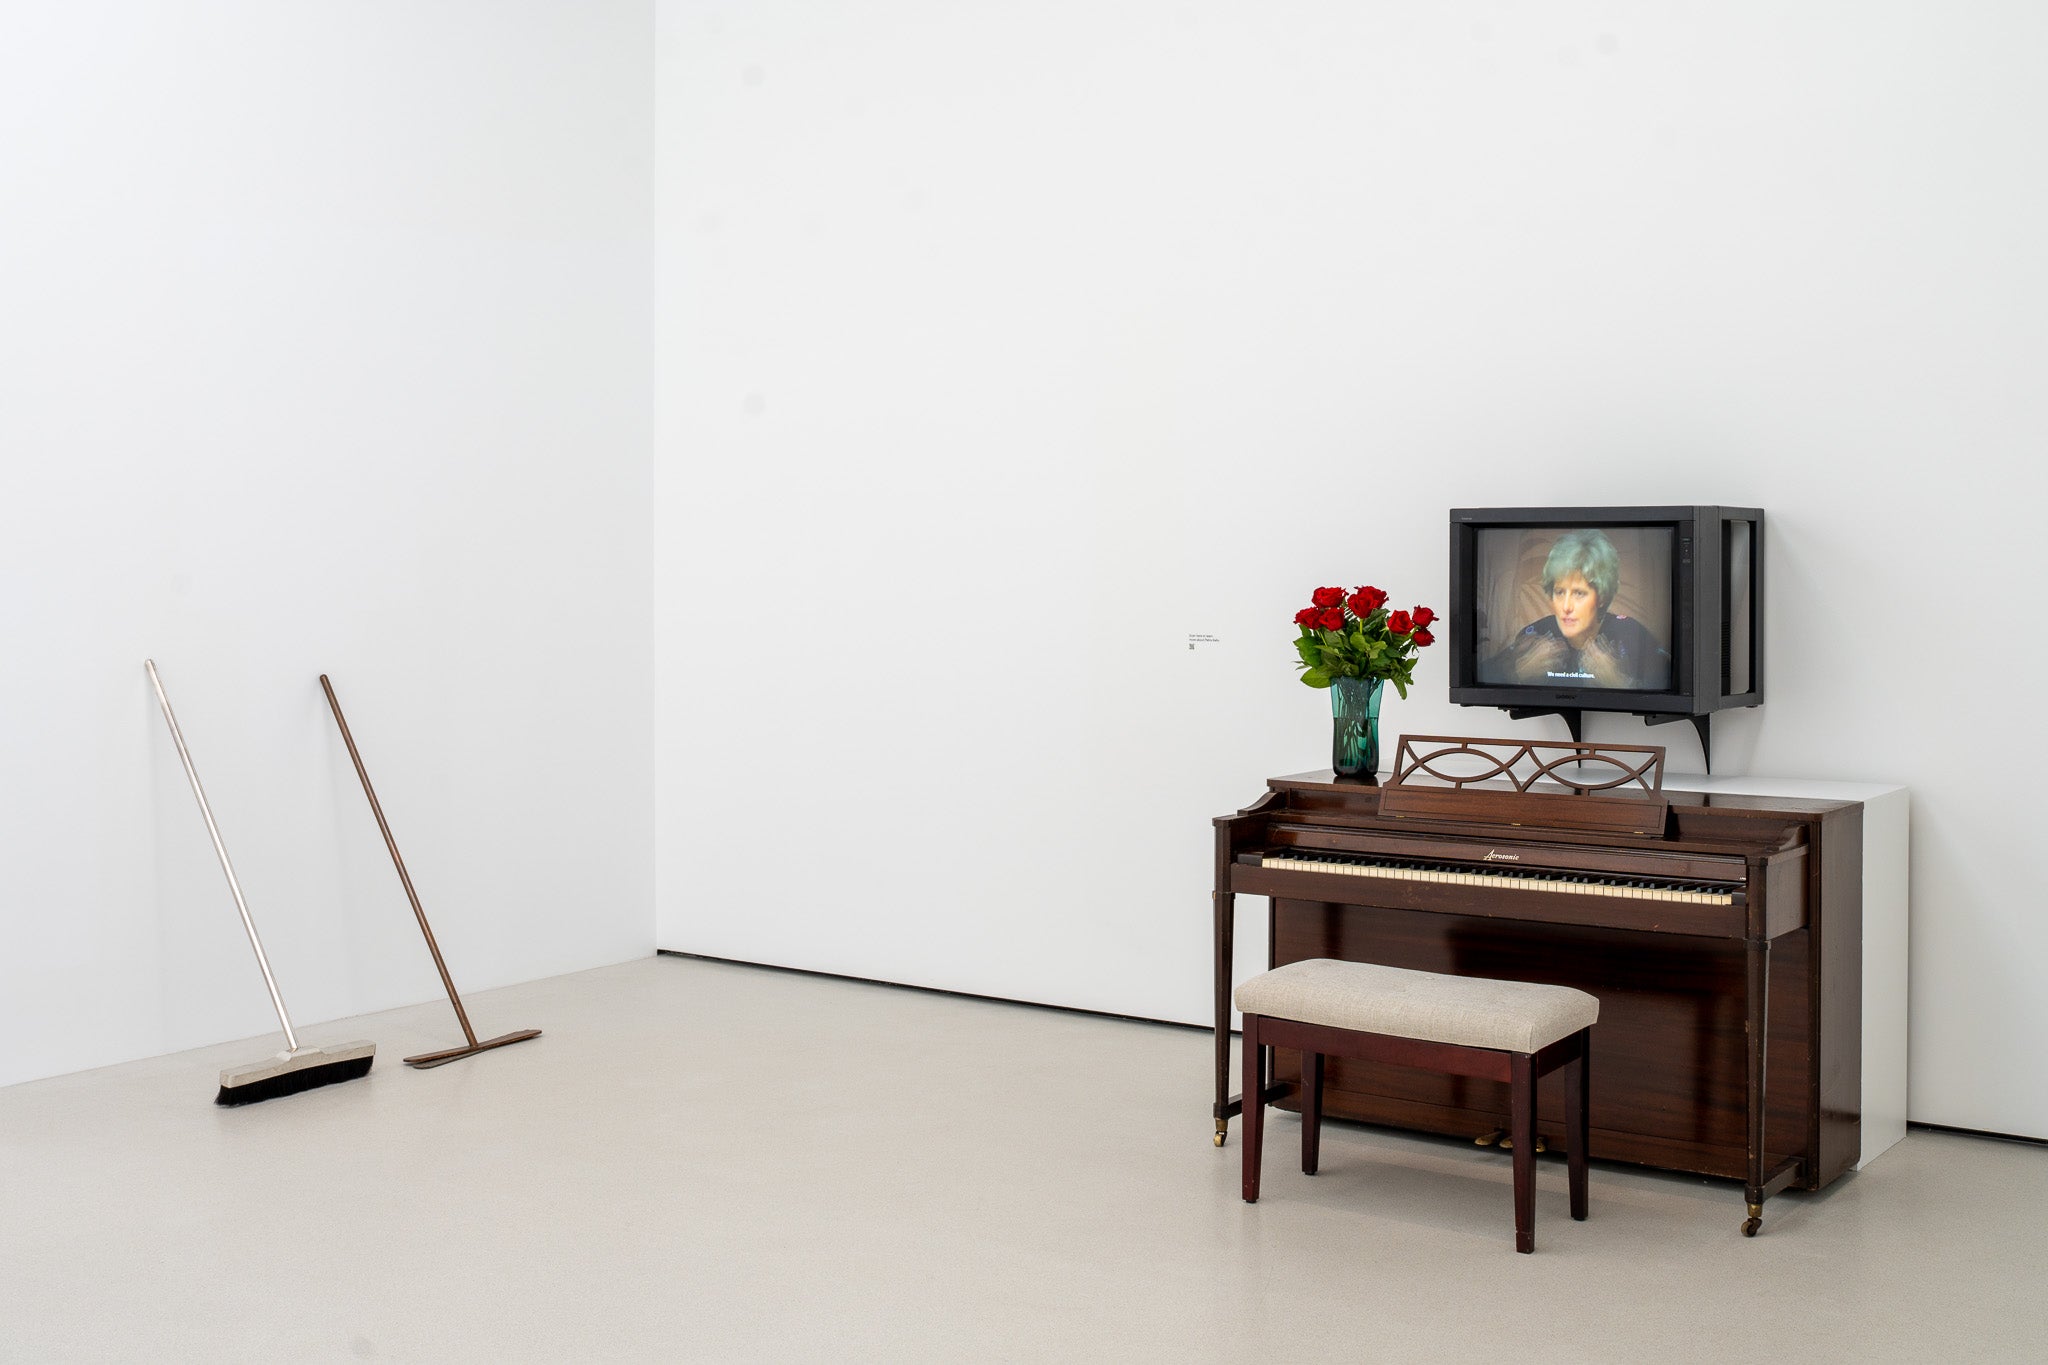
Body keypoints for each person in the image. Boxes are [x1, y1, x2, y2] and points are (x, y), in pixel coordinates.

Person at [1484, 529, 1669, 689]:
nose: (1566, 607)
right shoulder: (1536, 634)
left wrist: (1619, 683)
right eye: (1559, 592)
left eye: (1579, 593)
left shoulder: (1632, 635)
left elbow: (1668, 685)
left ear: (1602, 597)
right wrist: (1519, 673)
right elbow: (1483, 675)